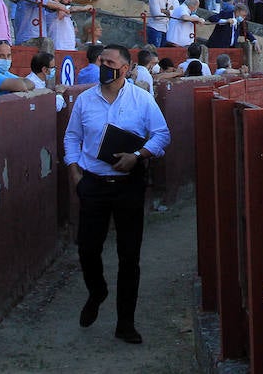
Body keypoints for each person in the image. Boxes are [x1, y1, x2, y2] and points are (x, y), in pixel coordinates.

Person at [63, 44, 170, 345]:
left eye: (109, 62)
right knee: (87, 248)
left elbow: (162, 134)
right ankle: (97, 290)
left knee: (129, 256)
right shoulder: (85, 99)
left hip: (129, 183)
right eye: (101, 61)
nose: (103, 65)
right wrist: (73, 169)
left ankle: (125, 323)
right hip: (94, 182)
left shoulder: (142, 98)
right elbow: (72, 136)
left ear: (125, 69)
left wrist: (138, 155)